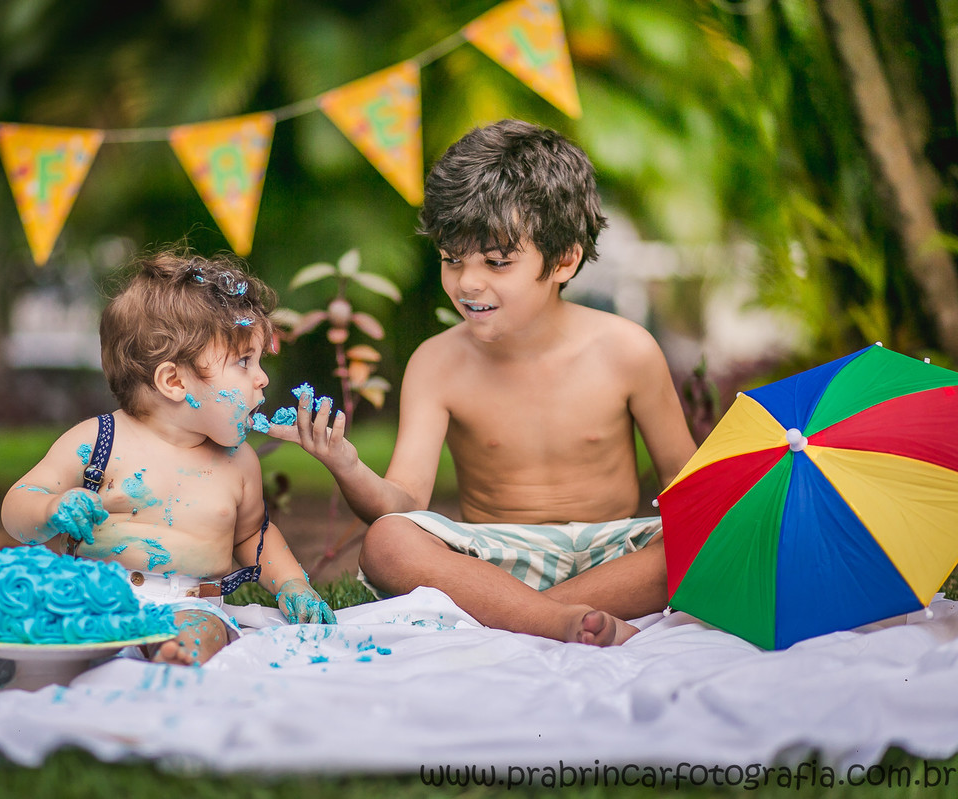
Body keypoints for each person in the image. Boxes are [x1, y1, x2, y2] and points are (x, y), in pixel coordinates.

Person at [267, 119, 697, 646]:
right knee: (388, 542)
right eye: (452, 260)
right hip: (492, 558)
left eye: (497, 262)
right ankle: (554, 619)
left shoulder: (628, 350)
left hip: (614, 553)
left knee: (701, 539)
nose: (467, 282)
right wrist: (347, 465)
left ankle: (524, 616)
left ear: (564, 261)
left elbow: (688, 487)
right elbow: (404, 504)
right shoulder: (438, 363)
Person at [0, 249, 335, 678]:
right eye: (244, 362)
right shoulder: (100, 441)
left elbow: (254, 537)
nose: (263, 379)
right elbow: (17, 504)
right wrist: (52, 509)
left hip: (187, 602)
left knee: (202, 630)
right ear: (174, 381)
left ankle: (176, 660)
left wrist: (293, 584)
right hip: (85, 596)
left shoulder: (238, 463)